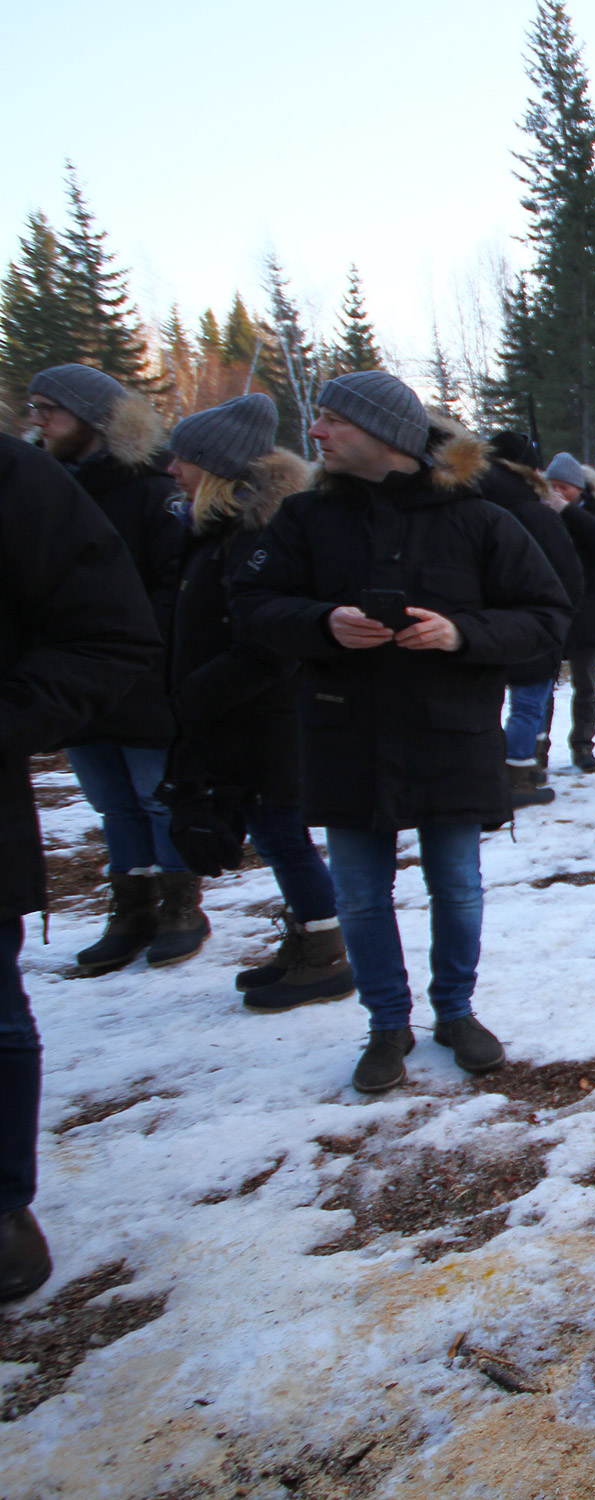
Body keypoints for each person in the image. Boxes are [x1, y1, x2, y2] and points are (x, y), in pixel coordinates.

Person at [232, 370, 571, 1094]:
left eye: (330, 420)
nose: (316, 432)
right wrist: (321, 623)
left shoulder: (478, 518)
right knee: (358, 894)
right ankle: (387, 1023)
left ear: (383, 432)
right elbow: (252, 605)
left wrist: (460, 633)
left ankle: (455, 1011)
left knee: (458, 888)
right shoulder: (303, 519)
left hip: (450, 733)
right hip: (343, 733)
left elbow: (546, 614)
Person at [1, 431, 164, 1300]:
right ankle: (137, 905)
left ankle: (2, 1205)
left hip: (151, 712)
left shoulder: (14, 476)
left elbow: (110, 627)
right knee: (120, 813)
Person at [163, 393, 354, 1011]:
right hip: (242, 715)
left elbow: (266, 645)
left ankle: (325, 950)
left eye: (184, 459)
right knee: (276, 835)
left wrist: (190, 694)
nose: (171, 470)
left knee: (283, 834)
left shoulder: (253, 539)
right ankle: (310, 936)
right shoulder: (220, 536)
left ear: (216, 470)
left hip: (269, 719)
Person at [25, 364, 199, 974]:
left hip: (142, 676)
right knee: (112, 805)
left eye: (50, 408)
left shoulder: (153, 490)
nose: (37, 420)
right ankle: (132, 909)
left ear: (93, 418)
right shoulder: (38, 488)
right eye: (34, 408)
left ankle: (181, 904)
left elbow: (175, 584)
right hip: (69, 683)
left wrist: (122, 643)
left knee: (155, 798)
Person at [480, 432, 584, 808]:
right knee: (528, 705)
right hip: (530, 623)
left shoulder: (472, 501)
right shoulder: (534, 513)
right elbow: (568, 575)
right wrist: (557, 618)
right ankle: (518, 778)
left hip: (480, 625)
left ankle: (510, 770)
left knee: (495, 704)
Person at [542, 452, 595, 773]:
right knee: (540, 686)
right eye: (552, 486)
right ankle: (536, 751)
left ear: (579, 489)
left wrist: (566, 512)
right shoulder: (536, 512)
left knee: (586, 686)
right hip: (547, 610)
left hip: (589, 613)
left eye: (564, 487)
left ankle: (583, 746)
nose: (557, 492)